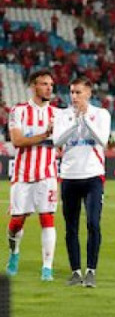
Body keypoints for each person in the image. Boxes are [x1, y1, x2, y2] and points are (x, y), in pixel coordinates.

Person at [53, 77, 111, 287]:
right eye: (72, 92)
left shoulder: (101, 114)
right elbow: (57, 141)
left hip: (93, 175)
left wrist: (85, 119)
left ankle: (91, 271)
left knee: (93, 223)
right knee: (71, 227)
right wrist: (74, 123)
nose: (74, 96)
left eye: (78, 92)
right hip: (69, 176)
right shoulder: (62, 115)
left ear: (88, 93)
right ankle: (76, 272)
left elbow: (103, 140)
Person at [7, 70, 58, 280]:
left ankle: (47, 268)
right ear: (33, 86)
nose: (49, 88)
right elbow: (17, 141)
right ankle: (14, 253)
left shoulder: (58, 114)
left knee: (47, 218)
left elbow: (63, 143)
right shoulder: (18, 111)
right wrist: (45, 135)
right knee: (17, 222)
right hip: (22, 175)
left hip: (48, 174)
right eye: (44, 84)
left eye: (51, 84)